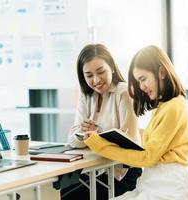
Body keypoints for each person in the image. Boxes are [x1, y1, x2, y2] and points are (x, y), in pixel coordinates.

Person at [84, 45, 188, 200]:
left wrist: (100, 144)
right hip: (155, 183)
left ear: (161, 72)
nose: (141, 87)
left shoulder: (174, 107)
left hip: (167, 188)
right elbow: (157, 145)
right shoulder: (164, 106)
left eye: (143, 79)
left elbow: (148, 158)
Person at [62, 44, 142, 200]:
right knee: (55, 195)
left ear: (111, 67)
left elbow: (130, 141)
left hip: (122, 172)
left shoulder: (125, 93)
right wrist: (86, 136)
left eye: (100, 72)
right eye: (89, 75)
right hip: (95, 170)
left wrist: (95, 136)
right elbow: (72, 140)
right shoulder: (86, 97)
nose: (96, 80)